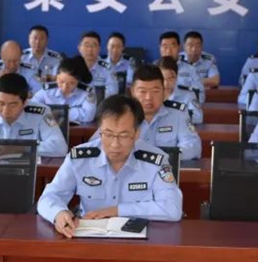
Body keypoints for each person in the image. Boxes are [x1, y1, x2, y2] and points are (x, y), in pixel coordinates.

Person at [37, 94, 183, 238]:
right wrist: (58, 213)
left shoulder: (155, 161)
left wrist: (117, 211)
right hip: (89, 239)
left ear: (137, 133)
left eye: (123, 135)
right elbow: (49, 197)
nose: (115, 144)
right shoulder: (80, 159)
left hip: (139, 241)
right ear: (99, 131)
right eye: (108, 134)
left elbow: (173, 208)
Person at [94, 64, 201, 160]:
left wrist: (158, 158)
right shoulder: (119, 114)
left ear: (164, 91)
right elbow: (95, 146)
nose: (148, 97)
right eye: (142, 91)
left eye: (155, 91)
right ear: (132, 91)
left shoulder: (178, 115)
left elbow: (194, 147)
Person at [31, 55, 97, 124]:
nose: (65, 87)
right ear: (57, 78)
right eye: (62, 82)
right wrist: (75, 111)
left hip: (77, 129)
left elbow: (88, 116)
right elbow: (32, 108)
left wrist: (52, 112)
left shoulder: (86, 93)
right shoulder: (47, 91)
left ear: (78, 81)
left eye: (71, 83)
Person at [158, 31, 205, 104]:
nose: (168, 50)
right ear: (160, 48)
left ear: (179, 47)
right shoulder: (153, 69)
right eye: (165, 46)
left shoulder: (191, 70)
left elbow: (200, 95)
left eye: (172, 46)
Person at [158, 56, 203, 124]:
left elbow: (198, 117)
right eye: (162, 79)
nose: (166, 83)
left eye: (170, 78)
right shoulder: (152, 95)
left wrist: (173, 118)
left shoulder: (188, 96)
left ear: (176, 77)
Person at [79, 31, 118, 96]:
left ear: (99, 49)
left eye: (94, 45)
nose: (90, 49)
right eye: (87, 45)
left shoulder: (108, 69)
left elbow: (113, 92)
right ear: (79, 48)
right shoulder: (73, 67)